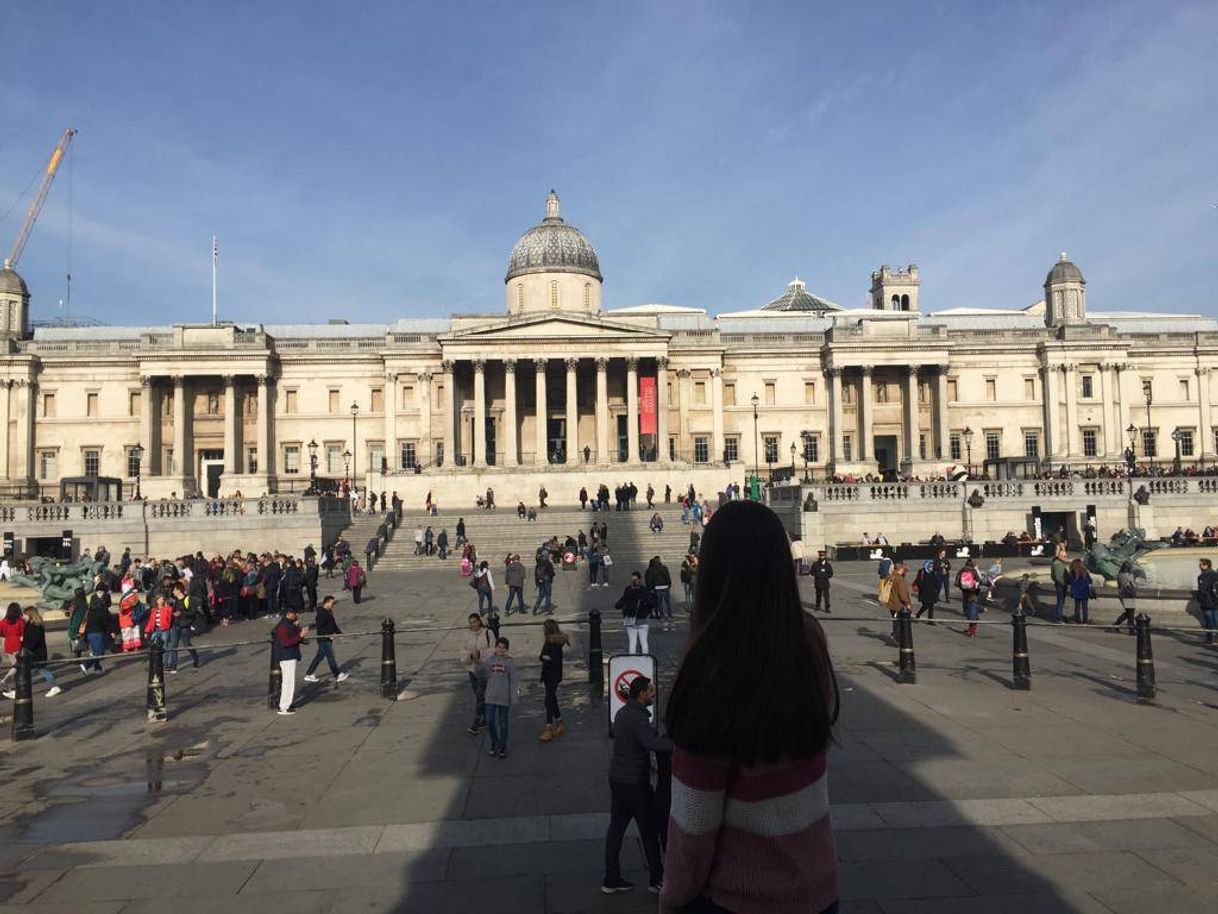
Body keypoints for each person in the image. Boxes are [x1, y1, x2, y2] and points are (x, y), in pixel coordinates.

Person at [659, 499, 838, 913]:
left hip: (739, 899)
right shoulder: (807, 641)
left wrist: (670, 901)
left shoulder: (710, 669)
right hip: (819, 890)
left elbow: (692, 824)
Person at [602, 676, 670, 896]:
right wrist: (680, 743)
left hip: (617, 778)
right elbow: (653, 744)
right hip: (635, 784)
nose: (653, 694)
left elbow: (615, 733)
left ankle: (611, 879)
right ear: (641, 694)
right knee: (649, 832)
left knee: (616, 829)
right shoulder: (639, 718)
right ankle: (657, 879)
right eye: (650, 691)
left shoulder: (622, 713)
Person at [2, 607, 59, 698]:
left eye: (25, 615)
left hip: (35, 653)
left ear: (30, 614)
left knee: (25, 670)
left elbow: (33, 641)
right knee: (38, 670)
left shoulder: (36, 626)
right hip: (33, 653)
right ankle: (54, 686)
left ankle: (17, 690)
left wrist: (23, 647)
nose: (23, 617)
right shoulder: (31, 625)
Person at [480, 636, 517, 758]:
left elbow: (514, 681)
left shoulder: (510, 662)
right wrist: (477, 659)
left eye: (503, 648)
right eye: (499, 647)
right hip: (490, 696)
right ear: (495, 647)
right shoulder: (490, 661)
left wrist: (514, 697)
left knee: (503, 723)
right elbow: (481, 673)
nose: (501, 649)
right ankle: (494, 741)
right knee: (489, 720)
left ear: (507, 649)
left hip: (504, 697)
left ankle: (503, 745)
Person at [304, 596, 350, 683]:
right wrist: (329, 634)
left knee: (319, 656)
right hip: (323, 639)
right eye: (332, 603)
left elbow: (333, 624)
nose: (333, 605)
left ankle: (309, 673)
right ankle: (337, 675)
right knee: (330, 656)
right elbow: (320, 626)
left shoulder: (328, 612)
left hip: (326, 638)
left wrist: (338, 632)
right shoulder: (321, 613)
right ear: (327, 602)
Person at [461, 612, 494, 733]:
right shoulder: (466, 635)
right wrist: (470, 656)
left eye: (474, 622)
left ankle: (475, 723)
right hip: (472, 670)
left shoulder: (487, 633)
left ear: (479, 622)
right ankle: (487, 717)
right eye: (470, 622)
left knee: (480, 696)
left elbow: (493, 650)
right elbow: (462, 651)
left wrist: (480, 654)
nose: (473, 624)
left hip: (484, 669)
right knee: (479, 695)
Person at [538, 618, 569, 742]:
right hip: (549, 675)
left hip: (552, 676)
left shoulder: (553, 643)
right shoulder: (549, 641)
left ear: (548, 629)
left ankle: (549, 727)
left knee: (548, 701)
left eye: (544, 628)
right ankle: (560, 722)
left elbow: (554, 661)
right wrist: (544, 657)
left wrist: (546, 658)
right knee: (552, 698)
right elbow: (542, 656)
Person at [273, 606, 308, 715]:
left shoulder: (287, 625)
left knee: (289, 681)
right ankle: (284, 706)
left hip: (289, 656)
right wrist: (300, 635)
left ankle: (287, 703)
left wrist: (298, 628)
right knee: (288, 682)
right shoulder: (283, 627)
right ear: (288, 614)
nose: (296, 615)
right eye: (294, 613)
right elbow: (286, 642)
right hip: (287, 656)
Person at [615, 571, 655, 655]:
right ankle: (645, 659)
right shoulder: (643, 590)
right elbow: (651, 603)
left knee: (632, 642)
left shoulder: (628, 590)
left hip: (630, 619)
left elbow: (619, 603)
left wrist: (623, 609)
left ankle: (633, 659)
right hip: (642, 619)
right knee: (644, 641)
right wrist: (646, 611)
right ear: (640, 580)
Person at [166, 583, 200, 673]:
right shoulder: (174, 600)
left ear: (179, 590)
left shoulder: (188, 599)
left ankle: (195, 658)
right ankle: (173, 666)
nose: (173, 592)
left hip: (185, 625)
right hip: (176, 625)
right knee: (173, 645)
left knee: (187, 644)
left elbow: (192, 612)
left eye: (174, 590)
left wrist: (182, 614)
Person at [83, 586, 114, 674]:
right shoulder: (102, 612)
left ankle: (97, 668)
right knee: (99, 651)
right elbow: (106, 623)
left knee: (96, 651)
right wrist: (111, 632)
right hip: (98, 632)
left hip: (90, 633)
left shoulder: (90, 612)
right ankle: (86, 665)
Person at [884, 560, 912, 639]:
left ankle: (896, 636)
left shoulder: (891, 577)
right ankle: (896, 635)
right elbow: (903, 594)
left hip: (891, 603)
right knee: (901, 622)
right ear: (901, 569)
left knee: (895, 620)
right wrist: (907, 604)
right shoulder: (900, 579)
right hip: (899, 604)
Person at [645, 556, 673, 630]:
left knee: (659, 603)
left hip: (657, 587)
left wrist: (651, 588)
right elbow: (668, 577)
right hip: (665, 586)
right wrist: (669, 585)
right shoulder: (664, 567)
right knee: (667, 602)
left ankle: (662, 616)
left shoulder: (652, 569)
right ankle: (670, 616)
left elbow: (650, 579)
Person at [956, 558, 982, 636]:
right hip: (973, 594)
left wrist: (963, 587)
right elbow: (978, 580)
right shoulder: (973, 571)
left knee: (969, 612)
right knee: (973, 614)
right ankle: (972, 632)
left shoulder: (962, 570)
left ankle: (969, 630)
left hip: (965, 594)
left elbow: (957, 582)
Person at [1112, 562, 1137, 634]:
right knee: (1130, 613)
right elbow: (1134, 585)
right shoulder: (1129, 575)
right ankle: (1131, 630)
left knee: (1128, 612)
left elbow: (1119, 585)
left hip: (1122, 594)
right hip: (1128, 595)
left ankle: (1115, 625)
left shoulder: (1119, 575)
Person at [1197, 559, 1218, 644]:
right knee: (1216, 620)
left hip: (1207, 602)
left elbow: (1202, 591)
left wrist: (1200, 600)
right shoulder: (1216, 574)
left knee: (1209, 621)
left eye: (1201, 565)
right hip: (1216, 601)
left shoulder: (1203, 576)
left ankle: (1210, 639)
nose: (1200, 566)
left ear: (1206, 565)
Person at [1067, 558, 1093, 624]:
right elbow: (1090, 580)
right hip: (1084, 592)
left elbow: (1069, 581)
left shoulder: (1073, 573)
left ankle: (1078, 620)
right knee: (1085, 608)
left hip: (1076, 592)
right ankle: (1085, 620)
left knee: (1077, 607)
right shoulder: (1085, 572)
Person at [1050, 546, 1069, 624]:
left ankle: (1059, 616)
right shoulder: (1058, 564)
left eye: (1066, 556)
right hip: (1060, 585)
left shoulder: (1059, 563)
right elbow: (1058, 576)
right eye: (1064, 556)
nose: (1066, 557)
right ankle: (1058, 618)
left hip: (1060, 584)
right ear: (1060, 556)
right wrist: (1063, 584)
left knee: (1061, 601)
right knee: (1060, 602)